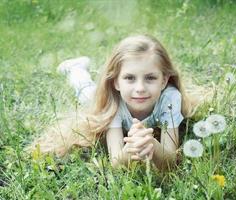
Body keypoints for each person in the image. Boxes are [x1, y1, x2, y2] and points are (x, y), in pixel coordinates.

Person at [28, 34, 207, 171]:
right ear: (116, 81)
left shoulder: (170, 98)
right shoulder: (112, 102)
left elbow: (169, 161)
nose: (140, 88)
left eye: (150, 78)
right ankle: (76, 69)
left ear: (164, 80)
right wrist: (129, 151)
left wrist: (152, 144)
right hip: (106, 98)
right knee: (86, 92)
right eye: (130, 78)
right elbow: (116, 161)